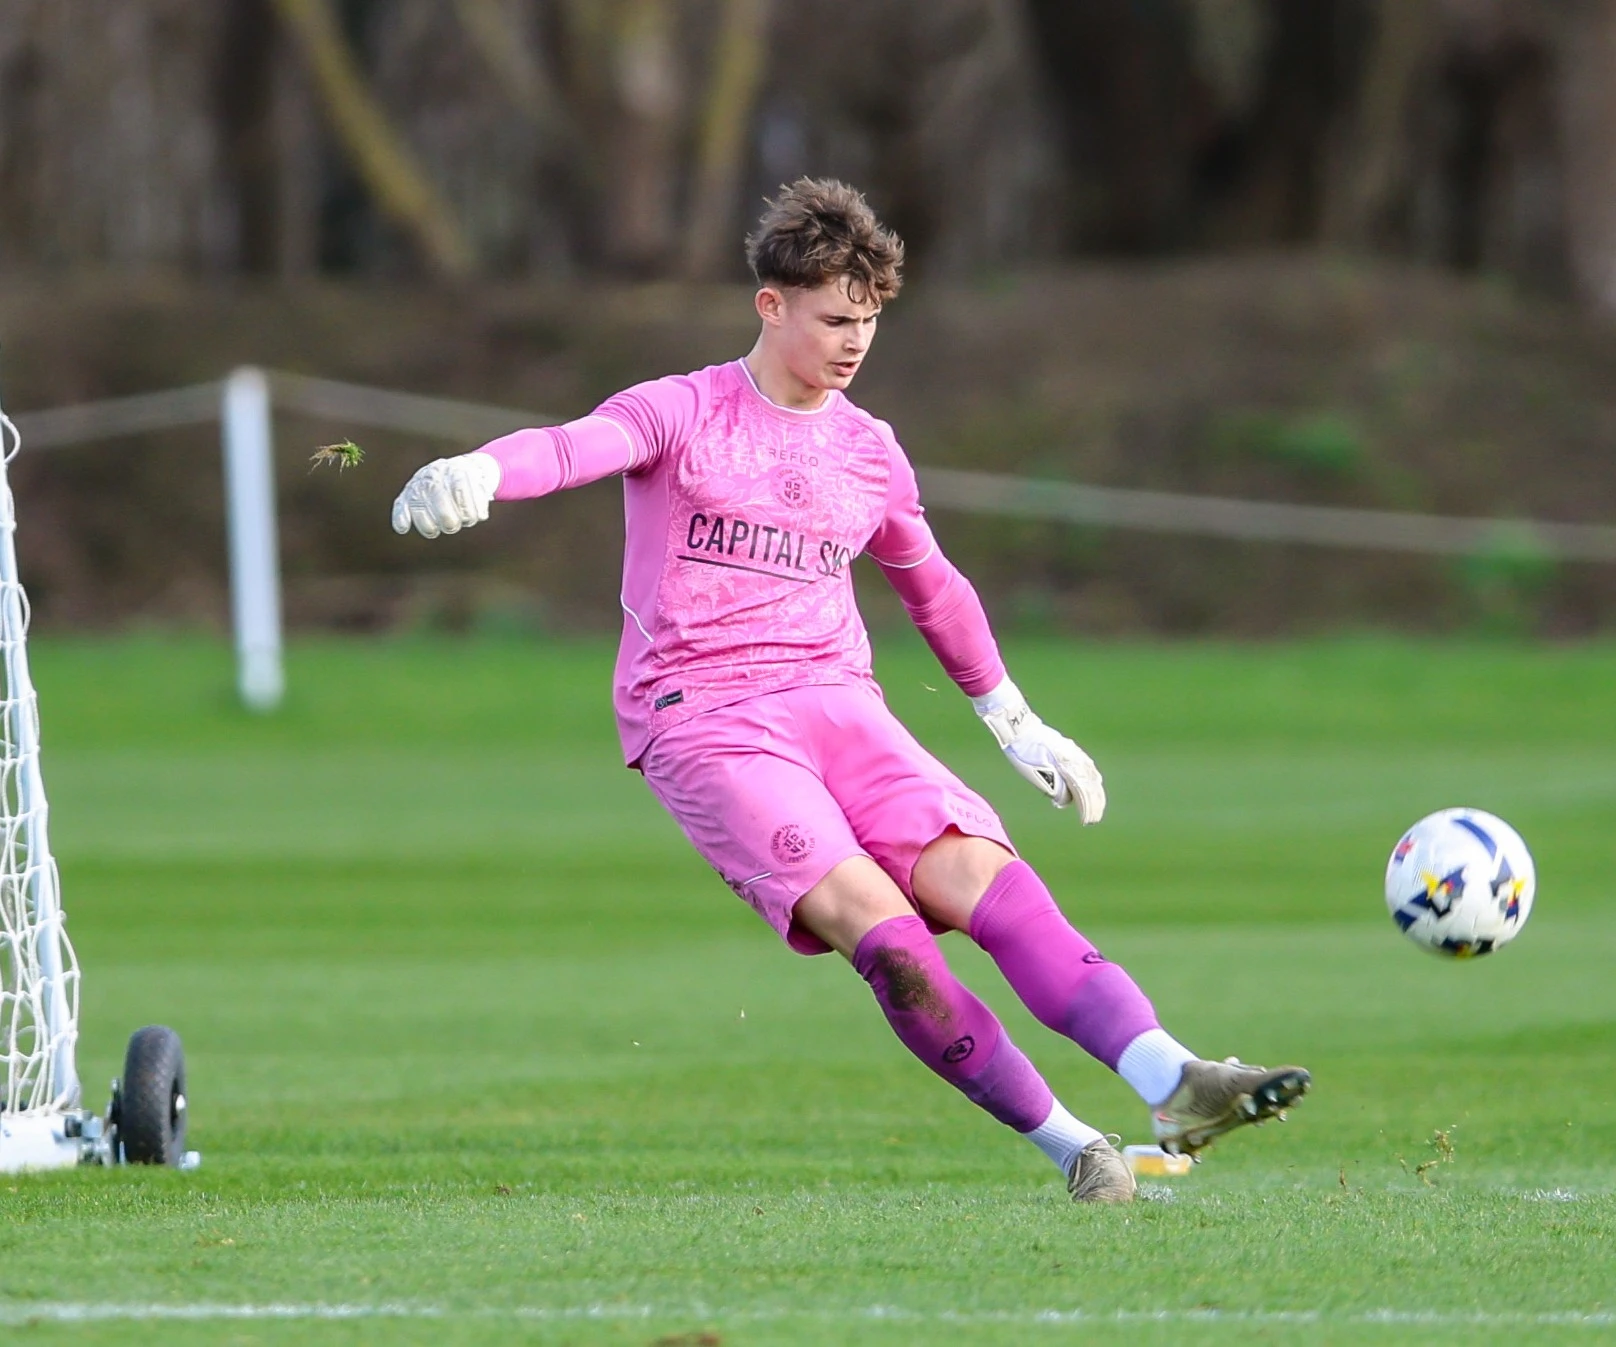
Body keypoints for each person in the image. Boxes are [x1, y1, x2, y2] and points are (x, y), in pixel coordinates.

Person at [387, 179, 1307, 1203]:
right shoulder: (683, 410)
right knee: (892, 942)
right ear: (769, 306)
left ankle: (1172, 1079)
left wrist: (1013, 720)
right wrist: (478, 470)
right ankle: (1069, 1144)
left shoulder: (868, 449)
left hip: (840, 703)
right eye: (832, 318)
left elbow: (932, 585)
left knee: (982, 883)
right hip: (706, 718)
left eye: (867, 321)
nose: (853, 341)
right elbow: (570, 448)